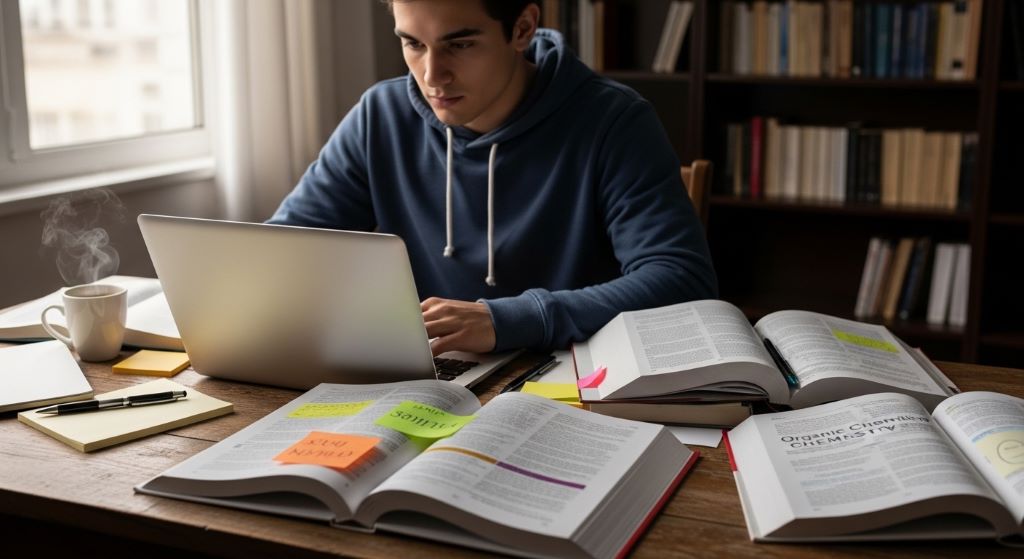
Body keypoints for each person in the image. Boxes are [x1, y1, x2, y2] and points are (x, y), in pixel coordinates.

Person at [267, 0, 717, 356]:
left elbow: (682, 280)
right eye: (413, 44)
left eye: (460, 45)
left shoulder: (614, 121)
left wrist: (508, 319)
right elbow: (281, 253)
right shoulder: (380, 116)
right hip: (432, 381)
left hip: (575, 379)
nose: (432, 75)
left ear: (522, 29)